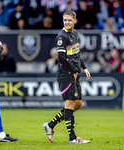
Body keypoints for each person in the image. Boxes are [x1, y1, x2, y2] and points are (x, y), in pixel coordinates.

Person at [43, 10, 91, 143]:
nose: (67, 22)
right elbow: (62, 58)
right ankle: (73, 138)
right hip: (66, 74)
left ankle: (50, 125)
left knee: (78, 104)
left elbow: (76, 55)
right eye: (65, 20)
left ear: (75, 20)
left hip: (75, 73)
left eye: (69, 20)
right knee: (69, 105)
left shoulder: (75, 34)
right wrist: (74, 71)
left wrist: (84, 67)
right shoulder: (61, 36)